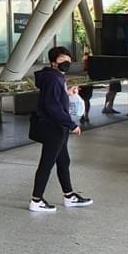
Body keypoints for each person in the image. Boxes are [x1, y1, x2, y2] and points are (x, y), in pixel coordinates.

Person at [29, 46, 92, 212]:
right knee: (47, 163)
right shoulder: (54, 79)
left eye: (68, 60)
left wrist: (67, 93)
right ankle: (36, 200)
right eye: (62, 60)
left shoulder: (53, 77)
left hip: (55, 126)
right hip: (53, 127)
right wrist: (71, 124)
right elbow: (53, 107)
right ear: (53, 62)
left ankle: (69, 195)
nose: (67, 63)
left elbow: (54, 99)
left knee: (63, 161)